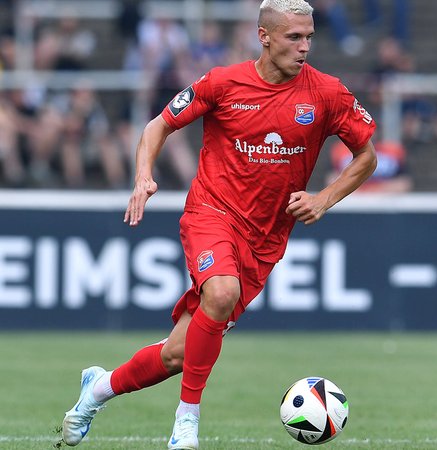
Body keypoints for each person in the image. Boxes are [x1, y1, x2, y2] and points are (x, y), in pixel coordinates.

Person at [59, 1, 377, 449]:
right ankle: (186, 422)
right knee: (221, 292)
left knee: (177, 354)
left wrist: (325, 198)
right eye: (294, 38)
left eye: (309, 37)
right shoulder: (223, 83)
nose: (304, 47)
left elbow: (368, 157)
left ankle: (97, 389)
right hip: (212, 213)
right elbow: (157, 126)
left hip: (265, 239)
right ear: (264, 36)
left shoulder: (327, 93)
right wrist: (143, 176)